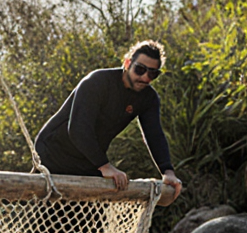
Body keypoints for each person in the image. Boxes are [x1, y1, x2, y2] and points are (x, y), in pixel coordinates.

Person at [34, 40, 183, 200]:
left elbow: (154, 135)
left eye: (153, 74)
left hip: (88, 161)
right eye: (140, 70)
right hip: (53, 154)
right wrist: (104, 166)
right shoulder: (97, 82)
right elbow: (78, 129)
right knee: (46, 219)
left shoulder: (149, 98)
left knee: (93, 222)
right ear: (127, 63)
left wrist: (167, 171)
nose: (145, 78)